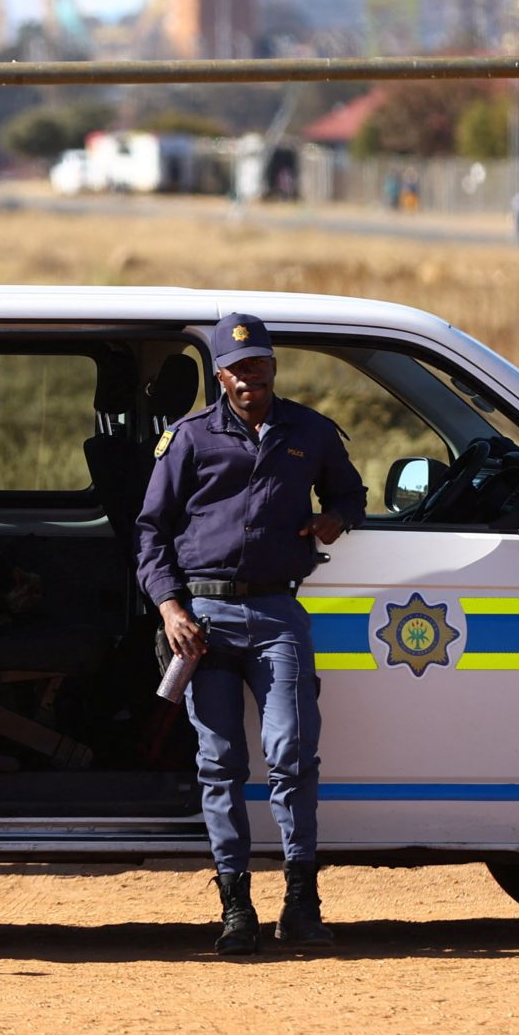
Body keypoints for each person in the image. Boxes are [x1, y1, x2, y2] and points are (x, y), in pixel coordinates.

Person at [135, 314, 368, 955]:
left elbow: (353, 495)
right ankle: (236, 909)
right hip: (201, 626)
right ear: (220, 374)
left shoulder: (311, 432)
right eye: (237, 369)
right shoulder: (187, 439)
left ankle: (301, 904)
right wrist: (169, 609)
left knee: (293, 755)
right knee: (220, 765)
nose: (250, 378)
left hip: (276, 616)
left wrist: (333, 520)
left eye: (259, 365)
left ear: (273, 367)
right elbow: (151, 534)